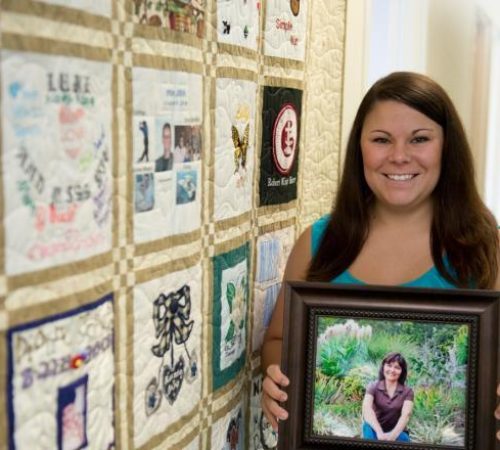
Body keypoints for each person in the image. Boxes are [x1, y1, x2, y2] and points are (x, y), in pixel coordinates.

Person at [260, 72, 500, 435]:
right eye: (381, 140)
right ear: (360, 148)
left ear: (447, 147)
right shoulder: (317, 244)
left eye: (419, 139)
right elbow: (279, 341)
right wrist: (277, 379)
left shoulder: (489, 249)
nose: (399, 156)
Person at [362, 352, 413, 441]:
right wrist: (379, 432)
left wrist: (392, 436)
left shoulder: (408, 391)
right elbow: (367, 409)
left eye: (397, 367)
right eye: (389, 365)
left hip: (397, 432)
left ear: (402, 371)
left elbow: (406, 415)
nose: (392, 370)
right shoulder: (373, 386)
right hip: (374, 429)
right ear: (383, 367)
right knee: (367, 427)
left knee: (405, 440)